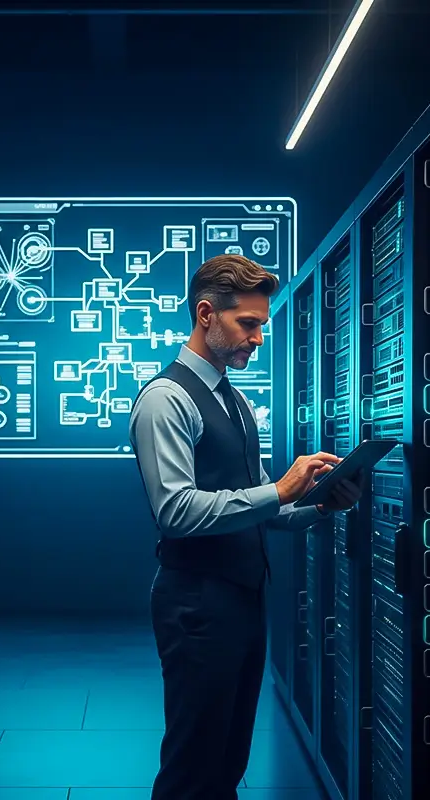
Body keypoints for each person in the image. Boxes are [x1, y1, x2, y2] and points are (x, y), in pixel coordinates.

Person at [129, 254, 364, 800]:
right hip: (196, 604)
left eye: (262, 324)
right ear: (206, 313)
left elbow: (264, 509)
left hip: (240, 599)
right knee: (193, 763)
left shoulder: (232, 399)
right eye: (248, 324)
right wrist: (280, 488)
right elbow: (176, 511)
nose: (258, 338)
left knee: (228, 758)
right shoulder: (166, 400)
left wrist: (322, 506)